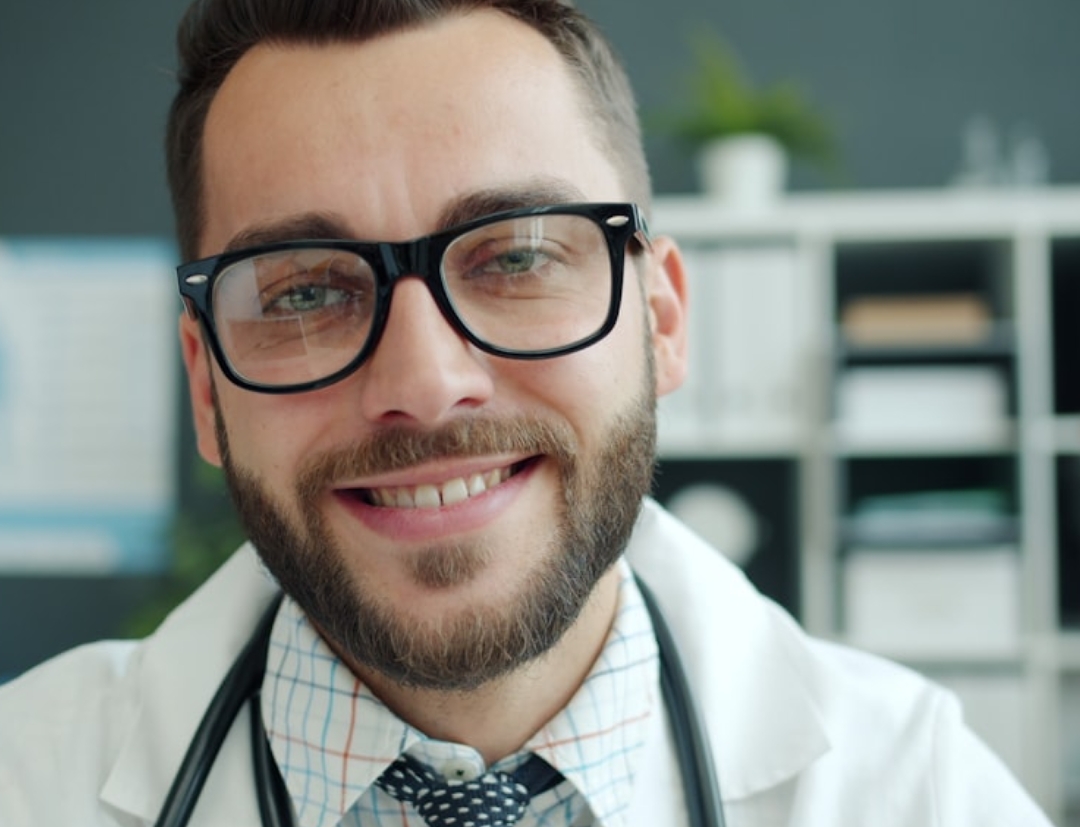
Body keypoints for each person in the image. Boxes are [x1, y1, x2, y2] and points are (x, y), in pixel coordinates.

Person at [0, 1, 1053, 825]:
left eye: (515, 256)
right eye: (305, 292)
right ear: (205, 387)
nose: (422, 380)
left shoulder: (917, 788)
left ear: (663, 318)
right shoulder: (25, 778)